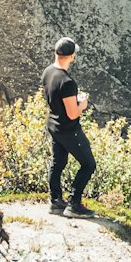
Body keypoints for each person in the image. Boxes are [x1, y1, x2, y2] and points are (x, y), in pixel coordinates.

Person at [41, 37, 96, 217]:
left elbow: (56, 99)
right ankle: (74, 204)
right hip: (68, 129)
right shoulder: (67, 82)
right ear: (72, 56)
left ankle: (55, 201)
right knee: (88, 164)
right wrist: (82, 104)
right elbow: (72, 113)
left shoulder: (48, 72)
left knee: (58, 162)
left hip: (54, 124)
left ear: (56, 53)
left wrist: (72, 101)